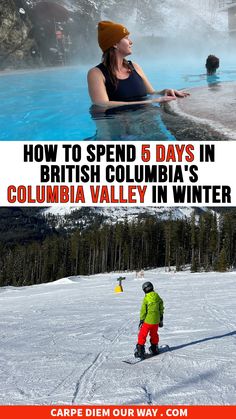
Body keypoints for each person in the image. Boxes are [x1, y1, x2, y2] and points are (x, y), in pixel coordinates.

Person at [87, 20, 189, 108]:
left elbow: (151, 93)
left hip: (145, 119)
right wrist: (147, 102)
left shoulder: (135, 67)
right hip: (118, 124)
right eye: (126, 38)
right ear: (114, 44)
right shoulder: (96, 74)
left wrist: (165, 91)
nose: (131, 42)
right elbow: (102, 104)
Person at [135, 281, 164, 359]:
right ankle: (154, 348)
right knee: (154, 334)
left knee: (142, 334)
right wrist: (161, 317)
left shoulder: (146, 298)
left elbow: (143, 310)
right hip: (156, 321)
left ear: (144, 290)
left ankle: (140, 350)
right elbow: (161, 308)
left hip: (148, 321)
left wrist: (141, 320)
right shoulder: (157, 297)